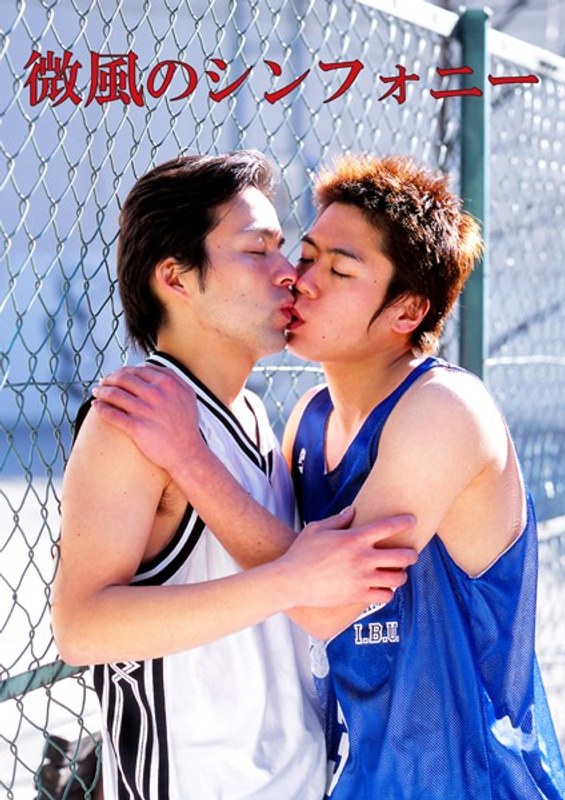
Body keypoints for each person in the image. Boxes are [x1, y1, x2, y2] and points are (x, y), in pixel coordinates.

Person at [93, 153, 565, 799]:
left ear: (407, 312)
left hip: (469, 779)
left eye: (339, 270)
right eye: (307, 256)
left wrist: (189, 458)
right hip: (355, 779)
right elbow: (289, 570)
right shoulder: (307, 422)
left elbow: (324, 605)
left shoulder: (444, 411)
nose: (301, 280)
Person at [51, 151, 417, 800]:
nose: (289, 273)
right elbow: (81, 629)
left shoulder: (252, 414)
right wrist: (288, 578)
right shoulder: (133, 419)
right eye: (257, 251)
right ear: (176, 277)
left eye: (282, 248)